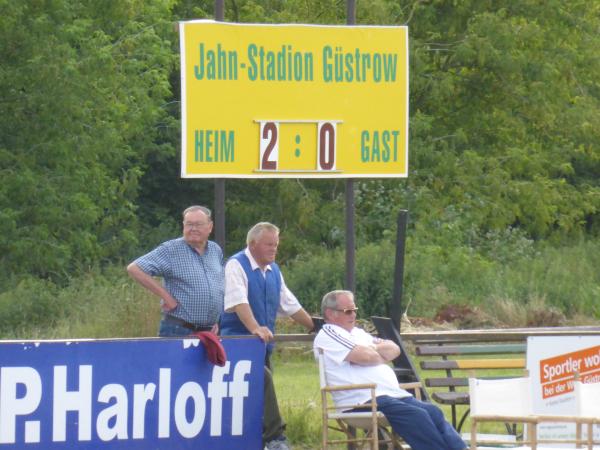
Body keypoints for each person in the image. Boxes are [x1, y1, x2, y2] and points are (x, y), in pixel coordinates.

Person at [314, 290, 468, 450]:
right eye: (347, 311)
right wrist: (375, 354)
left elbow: (394, 349)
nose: (353, 315)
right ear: (330, 314)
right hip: (361, 399)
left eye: (354, 310)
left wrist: (371, 351)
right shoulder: (329, 334)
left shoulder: (358, 333)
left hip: (389, 395)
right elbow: (366, 356)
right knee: (417, 415)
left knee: (433, 411)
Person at [220, 222, 314, 450]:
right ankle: (275, 437)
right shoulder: (236, 265)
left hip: (261, 347)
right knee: (262, 381)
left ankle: (260, 440)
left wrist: (316, 326)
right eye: (269, 245)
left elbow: (290, 305)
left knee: (257, 394)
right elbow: (238, 301)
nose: (274, 250)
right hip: (237, 344)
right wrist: (255, 327)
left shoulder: (274, 271)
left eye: (276, 245)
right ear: (252, 244)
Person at [127, 205, 224, 337]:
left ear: (210, 227)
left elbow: (219, 284)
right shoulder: (171, 249)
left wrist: (218, 319)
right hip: (178, 329)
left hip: (209, 332)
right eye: (189, 224)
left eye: (198, 224)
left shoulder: (215, 250)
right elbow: (135, 268)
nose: (193, 229)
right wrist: (166, 297)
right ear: (183, 226)